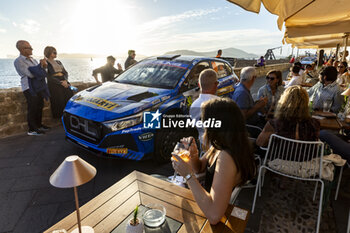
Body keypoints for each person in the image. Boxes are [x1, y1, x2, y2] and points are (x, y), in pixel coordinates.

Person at [172, 98, 256, 224]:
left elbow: (214, 216)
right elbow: (199, 168)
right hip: (205, 198)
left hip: (209, 210)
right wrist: (194, 154)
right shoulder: (223, 144)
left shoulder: (226, 157)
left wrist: (189, 176)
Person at [14, 40, 50, 136]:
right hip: (29, 87)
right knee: (33, 107)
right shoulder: (18, 61)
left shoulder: (33, 60)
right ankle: (32, 129)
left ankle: (39, 125)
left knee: (40, 105)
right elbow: (31, 74)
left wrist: (44, 66)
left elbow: (43, 72)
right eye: (29, 47)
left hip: (38, 86)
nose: (32, 49)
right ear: (22, 49)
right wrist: (40, 67)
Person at [190, 69, 219, 147]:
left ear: (199, 85)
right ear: (216, 84)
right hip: (219, 148)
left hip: (203, 145)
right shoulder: (222, 105)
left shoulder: (194, 105)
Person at [44, 46, 74, 119]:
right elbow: (48, 76)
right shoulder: (45, 62)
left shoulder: (58, 62)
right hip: (54, 83)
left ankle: (68, 115)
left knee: (69, 95)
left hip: (63, 80)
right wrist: (60, 82)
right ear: (49, 53)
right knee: (58, 100)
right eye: (54, 52)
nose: (56, 53)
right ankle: (60, 117)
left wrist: (65, 81)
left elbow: (65, 72)